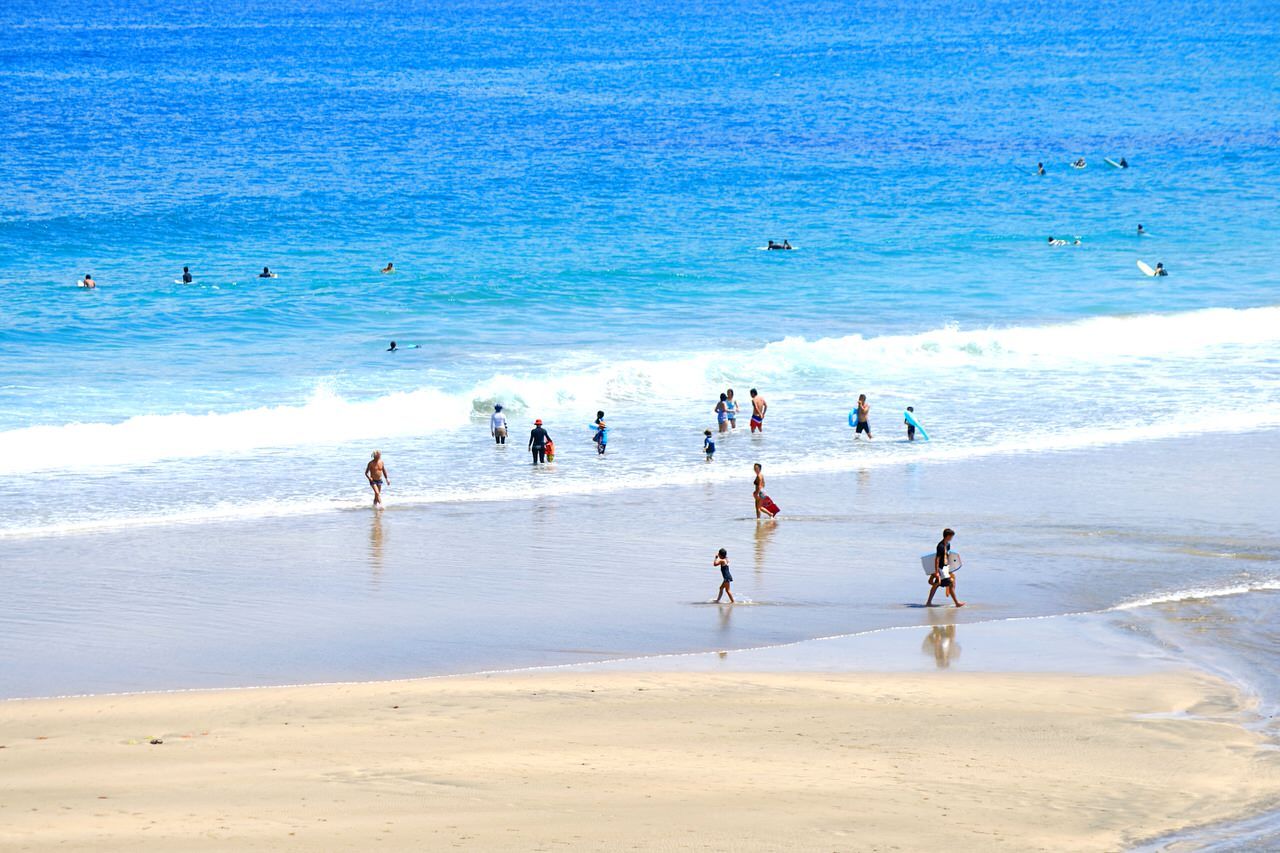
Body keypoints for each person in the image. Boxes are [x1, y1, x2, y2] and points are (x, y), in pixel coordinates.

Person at [926, 528, 965, 607]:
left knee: (936, 584)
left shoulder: (948, 544)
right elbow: (937, 559)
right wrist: (936, 572)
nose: (952, 538)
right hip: (940, 568)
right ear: (947, 536)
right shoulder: (940, 546)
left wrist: (950, 568)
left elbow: (947, 556)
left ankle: (928, 602)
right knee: (950, 582)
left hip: (945, 567)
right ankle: (957, 603)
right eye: (951, 536)